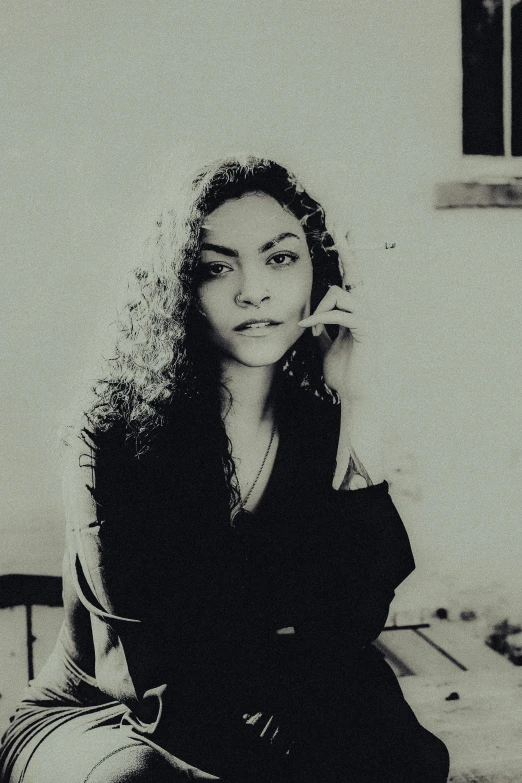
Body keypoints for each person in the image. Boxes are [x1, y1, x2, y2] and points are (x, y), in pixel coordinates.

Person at [0, 157, 450, 783]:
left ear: (318, 274)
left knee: (401, 755)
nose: (253, 290)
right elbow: (151, 668)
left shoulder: (320, 417)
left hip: (267, 704)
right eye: (218, 267)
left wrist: (357, 407)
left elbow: (347, 626)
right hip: (108, 716)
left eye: (281, 258)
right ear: (179, 286)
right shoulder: (115, 427)